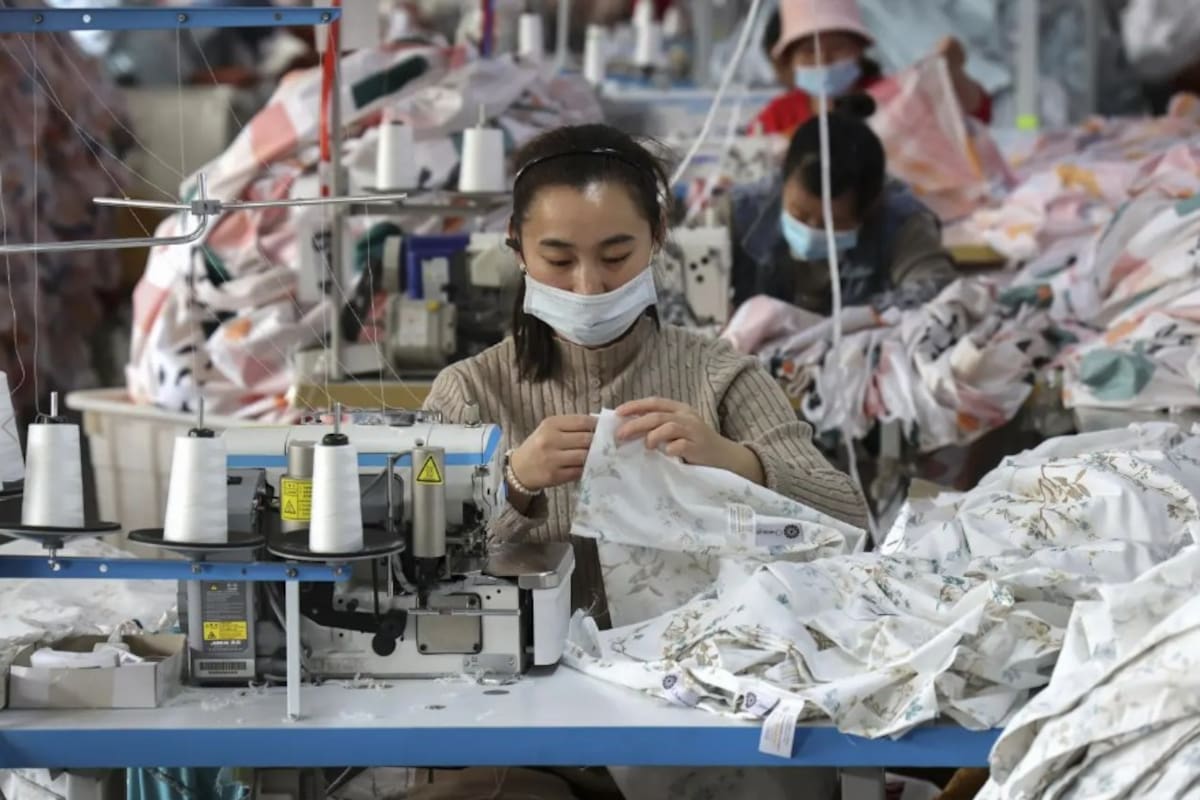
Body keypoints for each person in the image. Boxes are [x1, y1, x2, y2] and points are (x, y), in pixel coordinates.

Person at [424, 123, 867, 627]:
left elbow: (848, 516)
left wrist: (737, 463)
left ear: (656, 236)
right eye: (558, 259)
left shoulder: (720, 378)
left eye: (615, 257)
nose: (589, 285)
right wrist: (512, 484)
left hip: (690, 673)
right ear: (517, 246)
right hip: (518, 683)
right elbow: (418, 563)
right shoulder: (469, 394)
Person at [730, 94, 957, 316]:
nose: (811, 230)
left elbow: (939, 294)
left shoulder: (902, 223)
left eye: (833, 223)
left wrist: (853, 321)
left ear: (871, 207)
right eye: (799, 215)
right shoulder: (743, 214)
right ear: (783, 181)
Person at [753, 0, 991, 137]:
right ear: (787, 62)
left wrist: (951, 73)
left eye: (837, 47)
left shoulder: (894, 98)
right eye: (808, 52)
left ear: (860, 49)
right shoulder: (778, 116)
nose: (824, 59)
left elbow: (974, 115)